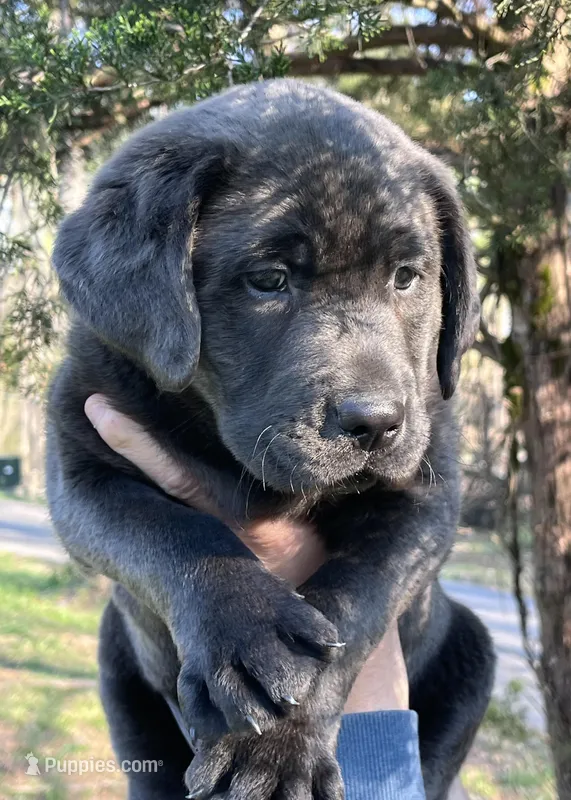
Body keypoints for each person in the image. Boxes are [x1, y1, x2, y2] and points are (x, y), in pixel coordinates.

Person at [84, 394, 467, 800]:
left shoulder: (413, 399)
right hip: (156, 691)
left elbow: (427, 506)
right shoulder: (112, 377)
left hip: (414, 707)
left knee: (466, 654)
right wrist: (209, 573)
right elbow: (83, 487)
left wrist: (301, 706)